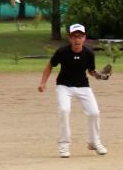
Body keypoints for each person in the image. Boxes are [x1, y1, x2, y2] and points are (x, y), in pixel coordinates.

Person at [37, 24, 111, 159]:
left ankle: (94, 142)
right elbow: (50, 65)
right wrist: (43, 82)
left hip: (83, 86)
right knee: (64, 110)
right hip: (64, 86)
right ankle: (63, 145)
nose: (77, 39)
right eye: (74, 36)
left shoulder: (89, 53)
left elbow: (91, 71)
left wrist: (100, 76)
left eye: (80, 36)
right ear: (69, 38)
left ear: (84, 38)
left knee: (94, 112)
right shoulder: (62, 52)